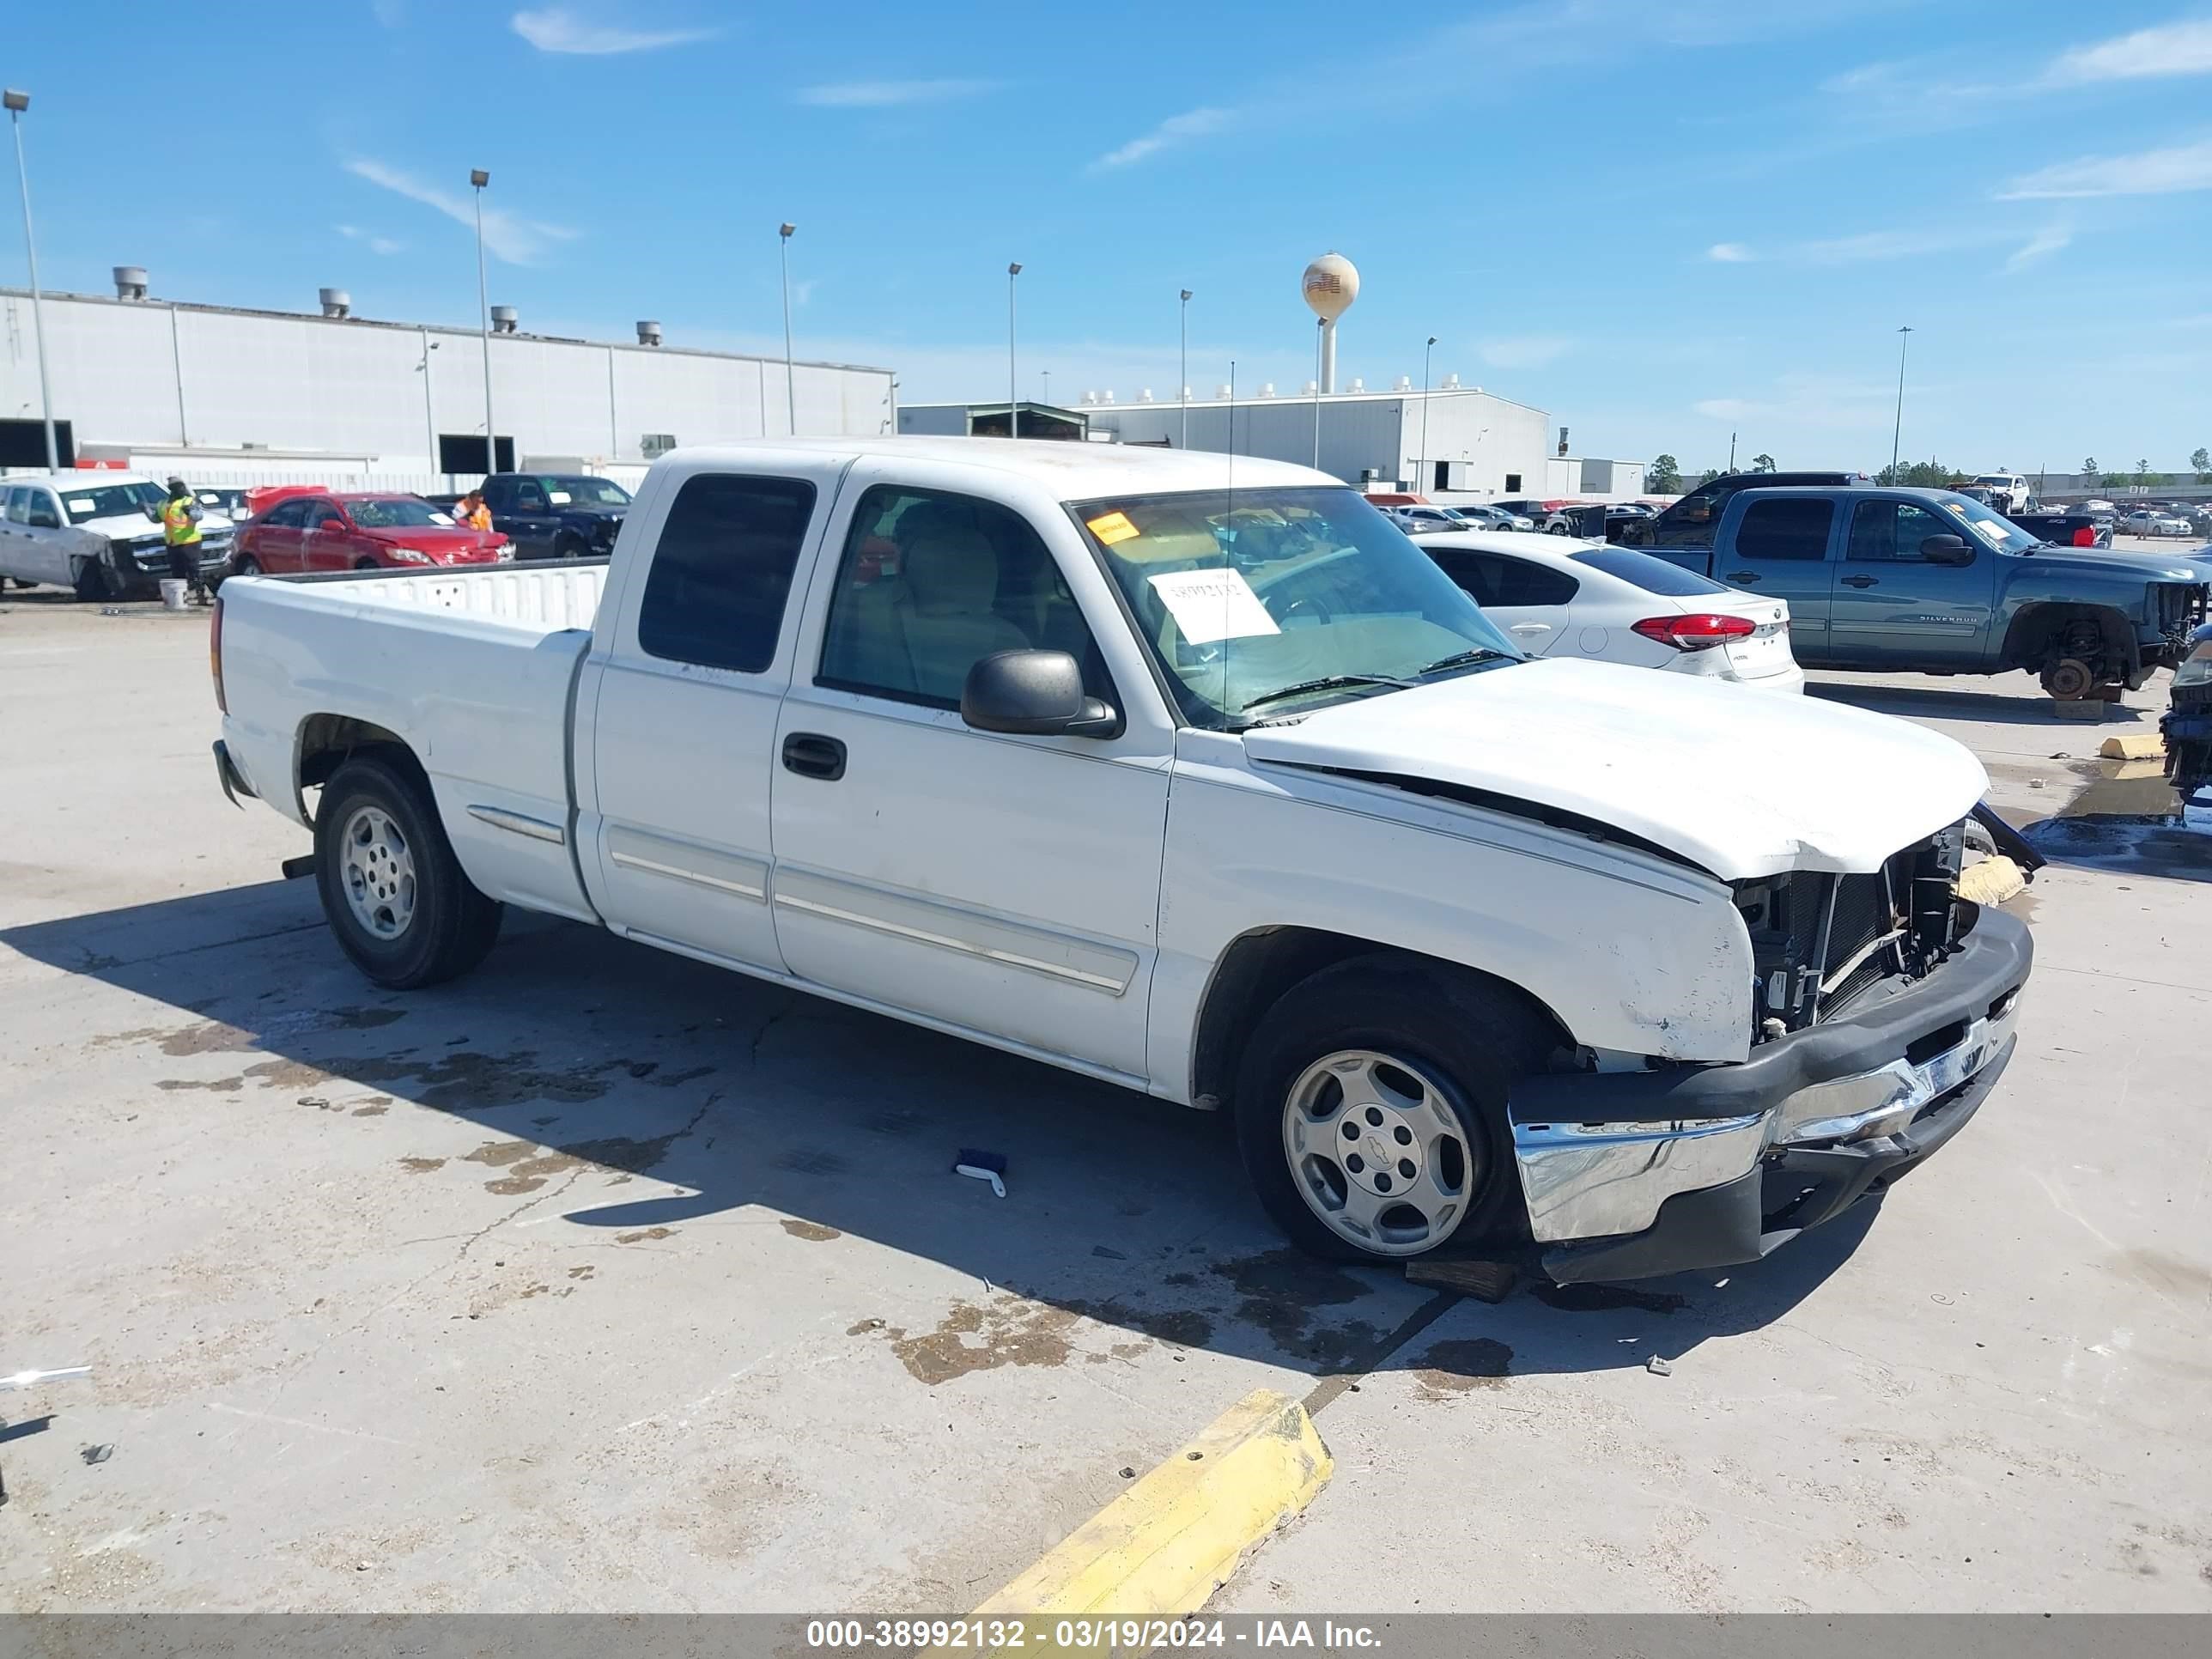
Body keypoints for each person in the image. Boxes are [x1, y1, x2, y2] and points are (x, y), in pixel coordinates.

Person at [161, 477, 210, 605]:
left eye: (182, 487)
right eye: (178, 488)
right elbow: (156, 518)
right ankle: (181, 600)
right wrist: (146, 509)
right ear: (172, 490)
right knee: (177, 573)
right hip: (172, 543)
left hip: (190, 542)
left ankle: (201, 596)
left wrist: (190, 513)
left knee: (194, 570)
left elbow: (199, 516)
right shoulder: (164, 504)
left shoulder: (190, 501)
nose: (182, 489)